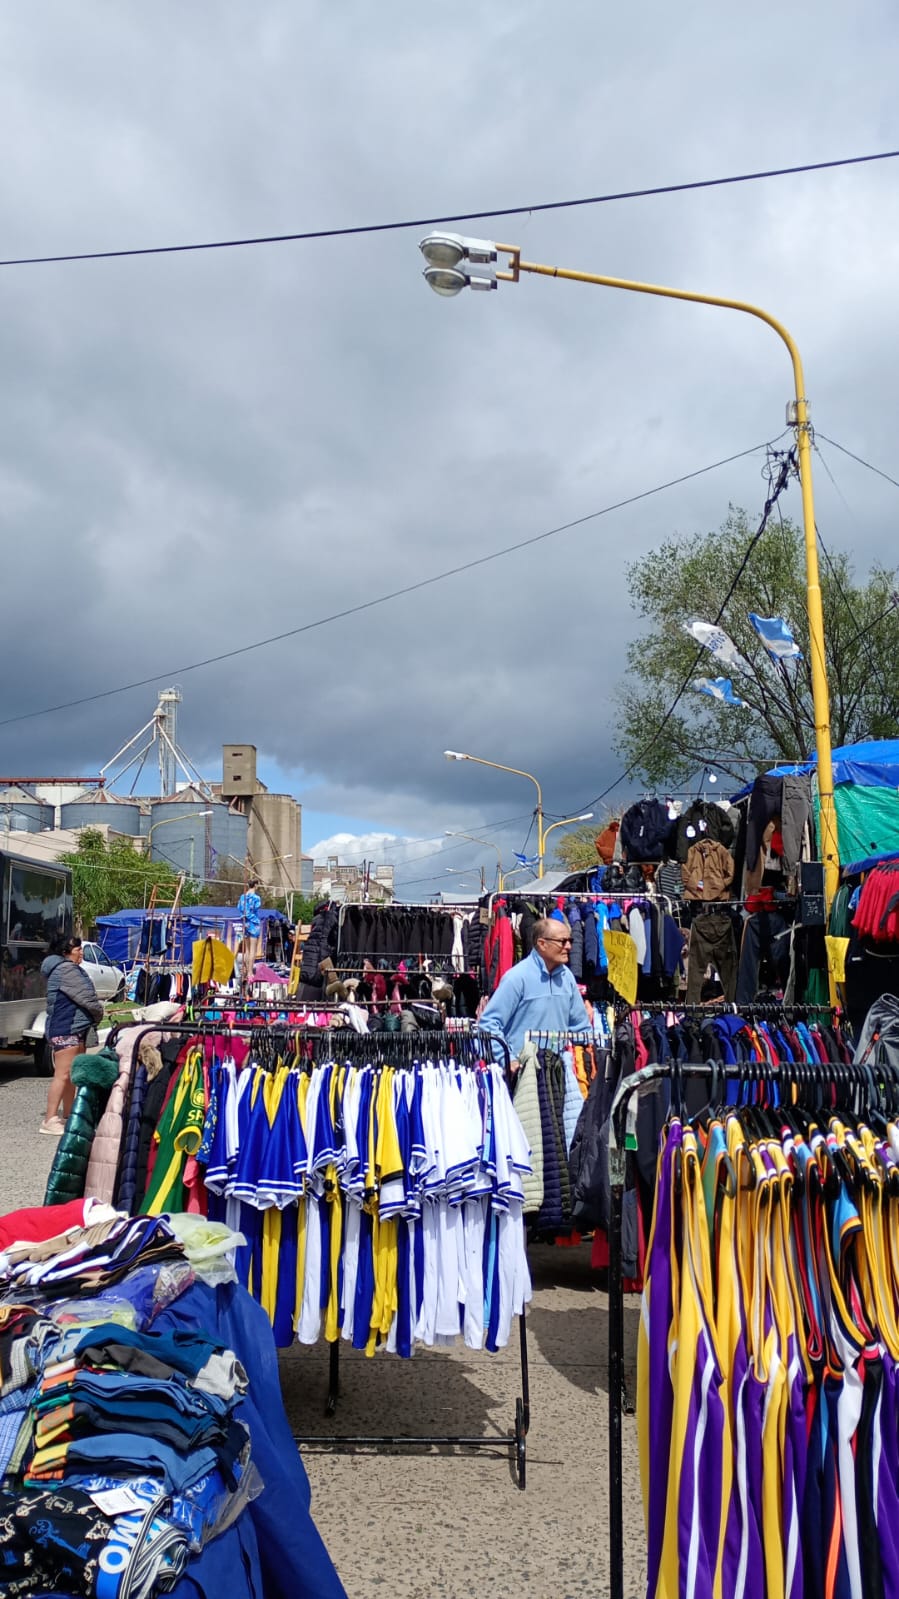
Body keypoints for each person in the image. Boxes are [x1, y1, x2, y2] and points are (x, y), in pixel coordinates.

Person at [479, 916, 591, 1069]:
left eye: (570, 941)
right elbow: (488, 1023)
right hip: (524, 1072)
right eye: (563, 941)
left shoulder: (568, 978)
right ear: (542, 944)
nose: (569, 946)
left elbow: (580, 1027)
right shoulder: (517, 977)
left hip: (558, 1072)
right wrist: (508, 1060)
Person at [41, 936, 104, 1136]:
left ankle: (69, 1115)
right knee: (62, 1074)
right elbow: (87, 998)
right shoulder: (66, 970)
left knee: (71, 1075)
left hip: (74, 1027)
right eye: (78, 949)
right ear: (65, 952)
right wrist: (99, 1013)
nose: (81, 953)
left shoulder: (68, 969)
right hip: (66, 1027)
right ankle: (49, 1119)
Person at [236, 879, 263, 976]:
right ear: (255, 885)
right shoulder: (256, 897)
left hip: (245, 922)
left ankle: (247, 970)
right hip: (253, 922)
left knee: (247, 949)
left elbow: (239, 908)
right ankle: (250, 972)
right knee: (253, 949)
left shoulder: (242, 897)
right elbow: (256, 907)